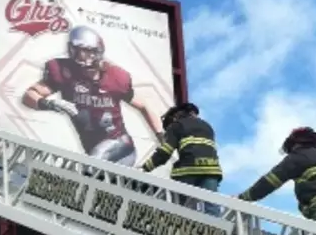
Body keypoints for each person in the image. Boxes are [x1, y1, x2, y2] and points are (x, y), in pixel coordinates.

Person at [22, 26, 164, 166]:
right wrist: (50, 104)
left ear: (97, 53)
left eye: (87, 51)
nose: (82, 56)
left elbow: (144, 106)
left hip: (121, 146)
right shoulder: (65, 73)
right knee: (94, 172)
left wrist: (162, 137)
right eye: (79, 51)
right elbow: (29, 95)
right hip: (92, 151)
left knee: (91, 166)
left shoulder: (116, 78)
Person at [141, 102, 222, 216]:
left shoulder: (177, 125)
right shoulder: (207, 127)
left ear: (175, 116)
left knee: (179, 206)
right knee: (212, 207)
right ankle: (216, 231)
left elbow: (165, 152)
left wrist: (147, 166)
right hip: (211, 170)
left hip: (188, 170)